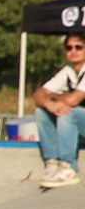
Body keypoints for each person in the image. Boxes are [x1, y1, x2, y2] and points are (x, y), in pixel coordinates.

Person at [32, 31, 85, 189]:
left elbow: (72, 100)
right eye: (69, 48)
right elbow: (38, 94)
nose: (73, 51)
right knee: (41, 111)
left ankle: (68, 166)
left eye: (78, 47)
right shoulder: (68, 71)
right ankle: (52, 161)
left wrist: (53, 98)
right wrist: (49, 104)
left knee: (67, 112)